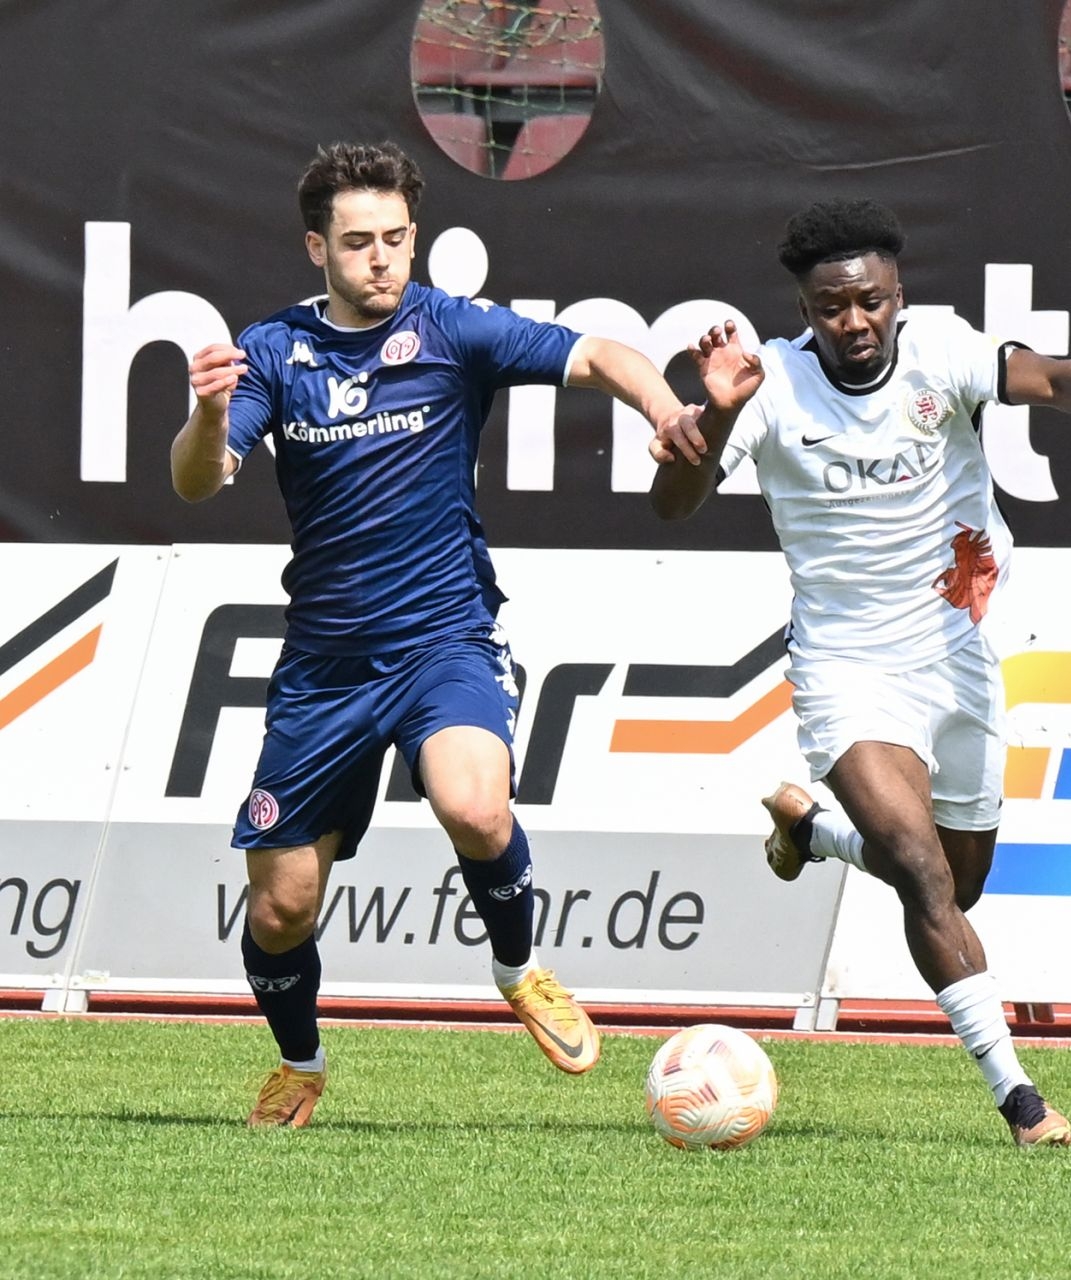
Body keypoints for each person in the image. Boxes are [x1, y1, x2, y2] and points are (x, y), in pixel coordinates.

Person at [648, 198, 1071, 1147]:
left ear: (898, 295)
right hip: (845, 666)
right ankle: (1020, 1100)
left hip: (957, 651)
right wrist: (716, 417)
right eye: (832, 307)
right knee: (921, 871)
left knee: (958, 886)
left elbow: (1049, 378)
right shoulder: (769, 385)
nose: (855, 322)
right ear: (804, 309)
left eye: (872, 301)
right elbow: (671, 505)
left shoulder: (942, 350)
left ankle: (815, 833)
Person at [170, 141, 718, 1127]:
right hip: (325, 669)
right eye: (357, 242)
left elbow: (601, 353)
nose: (380, 257)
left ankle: (518, 968)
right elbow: (198, 480)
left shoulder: (453, 329)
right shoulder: (275, 351)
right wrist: (208, 416)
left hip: (443, 638)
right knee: (281, 908)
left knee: (477, 807)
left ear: (413, 236)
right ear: (316, 248)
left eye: (395, 237)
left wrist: (667, 406)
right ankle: (300, 1061)